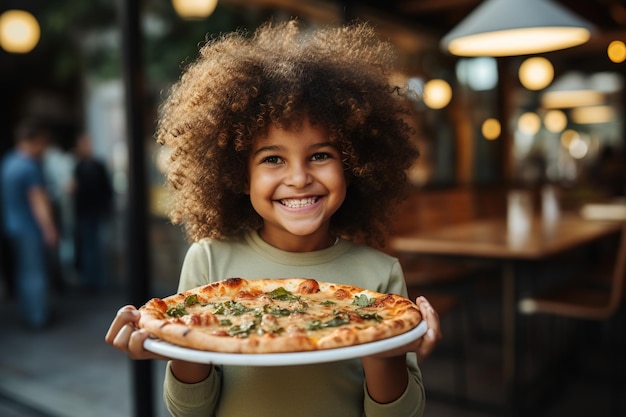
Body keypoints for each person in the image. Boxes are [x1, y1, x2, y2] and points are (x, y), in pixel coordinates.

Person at [106, 20, 442, 417]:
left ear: (354, 165)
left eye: (321, 155)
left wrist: (386, 347)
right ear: (237, 175)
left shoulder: (380, 277)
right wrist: (177, 344)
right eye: (272, 159)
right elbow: (189, 411)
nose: (299, 178)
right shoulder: (209, 262)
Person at [1, 118, 59, 328]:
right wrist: (50, 229)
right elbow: (38, 201)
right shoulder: (30, 166)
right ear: (35, 141)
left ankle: (29, 312)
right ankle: (38, 316)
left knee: (22, 272)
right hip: (30, 228)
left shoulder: (8, 162)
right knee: (35, 273)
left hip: (12, 226)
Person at [71, 132, 114, 291]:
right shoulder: (79, 166)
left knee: (99, 247)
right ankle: (89, 281)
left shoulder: (98, 165)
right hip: (84, 213)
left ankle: (99, 281)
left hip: (97, 212)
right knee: (88, 247)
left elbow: (106, 190)